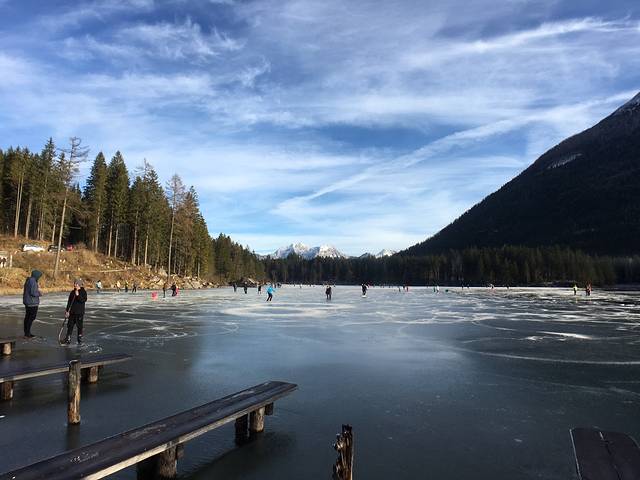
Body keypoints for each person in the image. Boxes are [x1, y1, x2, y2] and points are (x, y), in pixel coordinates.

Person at [63, 279, 87, 344]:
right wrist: (67, 311)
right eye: (74, 283)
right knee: (70, 325)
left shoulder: (83, 292)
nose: (74, 285)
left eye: (76, 284)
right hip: (72, 312)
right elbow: (69, 302)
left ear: (79, 285)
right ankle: (68, 338)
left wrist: (78, 295)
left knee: (79, 326)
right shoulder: (72, 292)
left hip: (79, 313)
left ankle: (79, 338)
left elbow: (83, 300)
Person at [22, 270, 42, 338]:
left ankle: (26, 332)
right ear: (36, 276)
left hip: (28, 302)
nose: (39, 278)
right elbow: (33, 293)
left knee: (28, 317)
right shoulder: (33, 281)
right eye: (39, 276)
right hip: (32, 302)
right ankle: (27, 333)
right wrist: (39, 293)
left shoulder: (29, 280)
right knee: (31, 317)